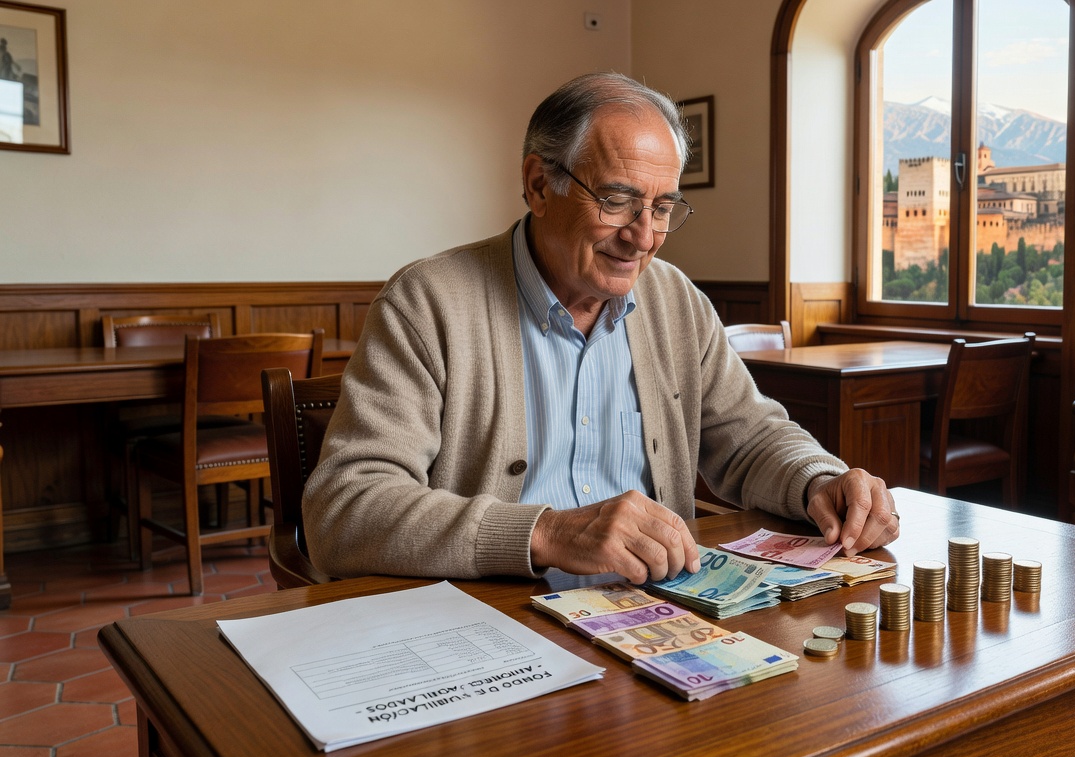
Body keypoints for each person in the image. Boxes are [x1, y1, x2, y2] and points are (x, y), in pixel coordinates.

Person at [303, 72, 898, 585]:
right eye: (616, 200)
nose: (644, 236)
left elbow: (750, 439)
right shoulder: (428, 302)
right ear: (539, 185)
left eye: (662, 207)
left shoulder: (676, 302)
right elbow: (345, 509)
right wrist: (546, 533)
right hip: (495, 627)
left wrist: (818, 479)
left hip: (655, 617)